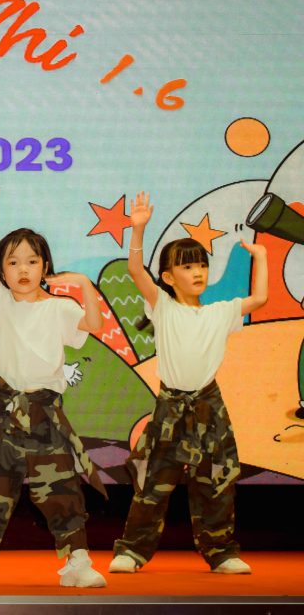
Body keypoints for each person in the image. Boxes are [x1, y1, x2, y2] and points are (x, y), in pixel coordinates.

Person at [0, 171, 108, 589]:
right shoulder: (0, 302)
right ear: (2, 270)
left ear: (45, 266)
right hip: (4, 411)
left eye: (32, 261)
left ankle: (78, 562)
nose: (23, 269)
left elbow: (93, 323)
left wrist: (83, 284)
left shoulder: (59, 308)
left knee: (62, 490)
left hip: (44, 413)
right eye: (13, 262)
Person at [110, 192, 267, 575]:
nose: (197, 272)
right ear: (168, 277)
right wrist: (138, 230)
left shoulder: (221, 311)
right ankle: (132, 551)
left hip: (209, 405)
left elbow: (260, 298)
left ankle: (221, 552)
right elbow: (136, 271)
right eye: (187, 266)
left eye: (201, 265)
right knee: (154, 482)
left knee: (216, 481)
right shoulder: (162, 307)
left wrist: (261, 256)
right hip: (171, 406)